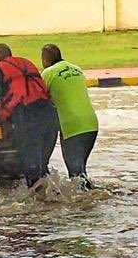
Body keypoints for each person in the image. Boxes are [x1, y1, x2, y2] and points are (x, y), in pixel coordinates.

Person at [0, 43, 58, 188]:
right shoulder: (27, 64)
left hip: (27, 118)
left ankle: (37, 206)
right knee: (42, 167)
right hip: (50, 117)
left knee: (31, 170)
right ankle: (52, 201)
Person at [40, 43, 99, 190]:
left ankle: (82, 209)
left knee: (75, 175)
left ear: (45, 60)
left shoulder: (48, 73)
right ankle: (90, 198)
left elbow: (40, 100)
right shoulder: (77, 70)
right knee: (81, 171)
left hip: (71, 126)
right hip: (91, 124)